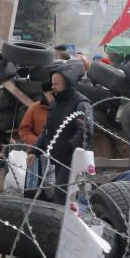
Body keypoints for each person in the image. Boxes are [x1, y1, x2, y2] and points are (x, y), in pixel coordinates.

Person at [27, 64, 93, 205]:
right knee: (63, 197)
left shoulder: (81, 104)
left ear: (67, 84)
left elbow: (85, 131)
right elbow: (46, 130)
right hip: (58, 159)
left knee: (62, 197)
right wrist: (34, 151)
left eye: (56, 84)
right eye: (52, 84)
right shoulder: (56, 103)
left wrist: (67, 147)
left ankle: (66, 224)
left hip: (72, 161)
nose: (53, 87)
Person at [18, 82, 54, 191]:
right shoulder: (34, 108)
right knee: (33, 188)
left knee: (53, 188)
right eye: (51, 93)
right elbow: (23, 130)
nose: (54, 96)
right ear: (45, 93)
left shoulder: (63, 108)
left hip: (55, 154)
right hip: (35, 153)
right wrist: (38, 142)